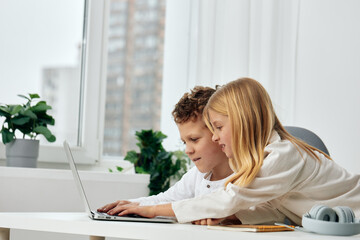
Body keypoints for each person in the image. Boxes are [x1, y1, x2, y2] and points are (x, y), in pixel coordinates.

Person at [116, 77, 360, 226]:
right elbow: (276, 207)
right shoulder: (265, 161)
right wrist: (234, 217)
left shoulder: (283, 156)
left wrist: (151, 210)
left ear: (244, 121)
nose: (215, 136)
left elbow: (229, 198)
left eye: (219, 127)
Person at [97, 86, 234, 216]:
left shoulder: (245, 176)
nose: (188, 150)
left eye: (194, 139)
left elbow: (207, 205)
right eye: (184, 142)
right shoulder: (196, 176)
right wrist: (132, 204)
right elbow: (167, 199)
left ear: (218, 131)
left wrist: (152, 209)